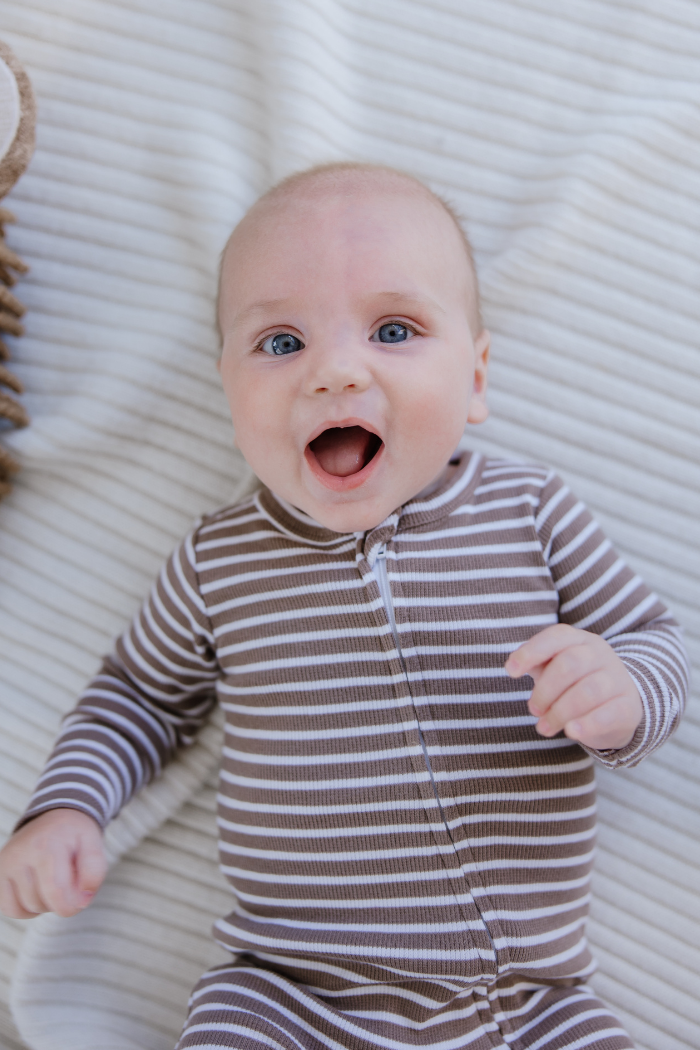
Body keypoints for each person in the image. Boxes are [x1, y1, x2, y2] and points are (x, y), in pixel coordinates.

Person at [0, 163, 688, 1050]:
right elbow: (137, 696)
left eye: (394, 330)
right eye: (281, 342)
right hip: (287, 997)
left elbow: (652, 637)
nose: (333, 370)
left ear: (476, 377)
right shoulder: (219, 561)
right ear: (229, 392)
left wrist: (623, 691)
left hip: (530, 1003)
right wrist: (66, 808)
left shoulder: (530, 513)